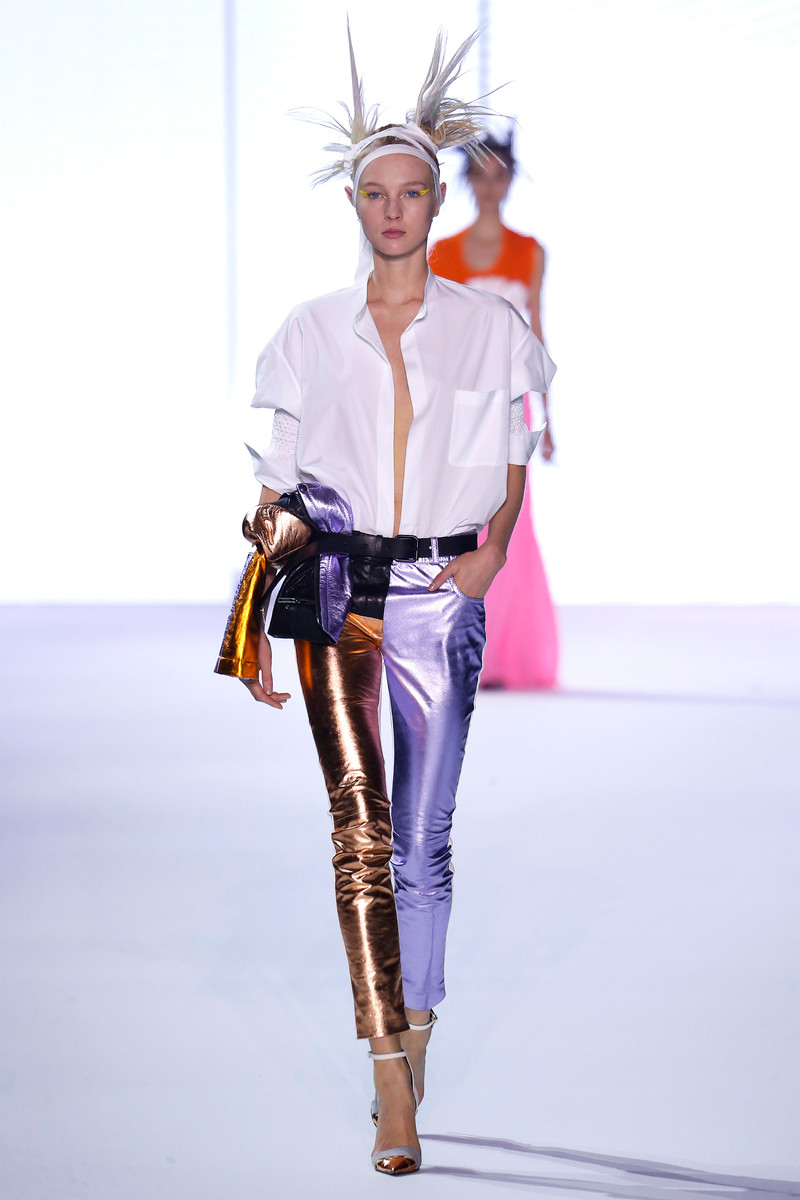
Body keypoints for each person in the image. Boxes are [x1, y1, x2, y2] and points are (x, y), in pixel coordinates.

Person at [215, 30, 555, 1176]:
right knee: (359, 830)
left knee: (422, 840)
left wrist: (491, 554)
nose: (395, 210)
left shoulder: (487, 327)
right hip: (338, 590)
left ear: (435, 199)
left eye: (412, 192)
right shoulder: (309, 332)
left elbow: (510, 455)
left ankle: (416, 1026)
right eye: (377, 193)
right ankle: (388, 1074)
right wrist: (251, 619)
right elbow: (275, 491)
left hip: (440, 596)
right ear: (354, 204)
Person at [429, 134, 559, 689]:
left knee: (510, 524)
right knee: (461, 522)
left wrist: (549, 417)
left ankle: (504, 654)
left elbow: (536, 336)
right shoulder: (442, 252)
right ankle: (460, 650)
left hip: (510, 400)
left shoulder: (529, 252)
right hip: (460, 402)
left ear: (510, 179)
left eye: (499, 174)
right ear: (467, 181)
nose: (489, 185)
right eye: (480, 175)